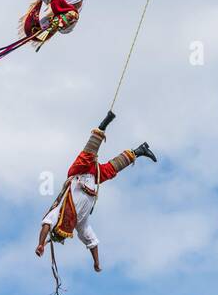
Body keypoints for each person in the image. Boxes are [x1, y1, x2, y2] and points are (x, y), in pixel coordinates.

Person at [36, 111, 157, 273]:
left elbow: (45, 224)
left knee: (88, 153)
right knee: (112, 169)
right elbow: (92, 242)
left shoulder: (58, 214)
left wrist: (41, 244)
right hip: (94, 178)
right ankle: (140, 151)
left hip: (78, 172)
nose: (67, 229)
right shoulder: (80, 223)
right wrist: (96, 263)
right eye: (67, 232)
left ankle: (104, 123)